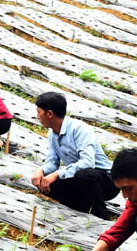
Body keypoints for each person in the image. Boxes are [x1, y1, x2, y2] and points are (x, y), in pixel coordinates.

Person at [30, 92, 117, 220]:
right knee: (46, 184)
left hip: (106, 180)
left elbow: (88, 163)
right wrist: (41, 171)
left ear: (49, 114)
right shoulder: (52, 132)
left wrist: (56, 174)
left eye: (39, 112)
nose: (37, 116)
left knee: (84, 175)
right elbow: (53, 162)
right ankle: (82, 207)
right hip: (79, 177)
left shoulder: (80, 130)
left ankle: (102, 215)